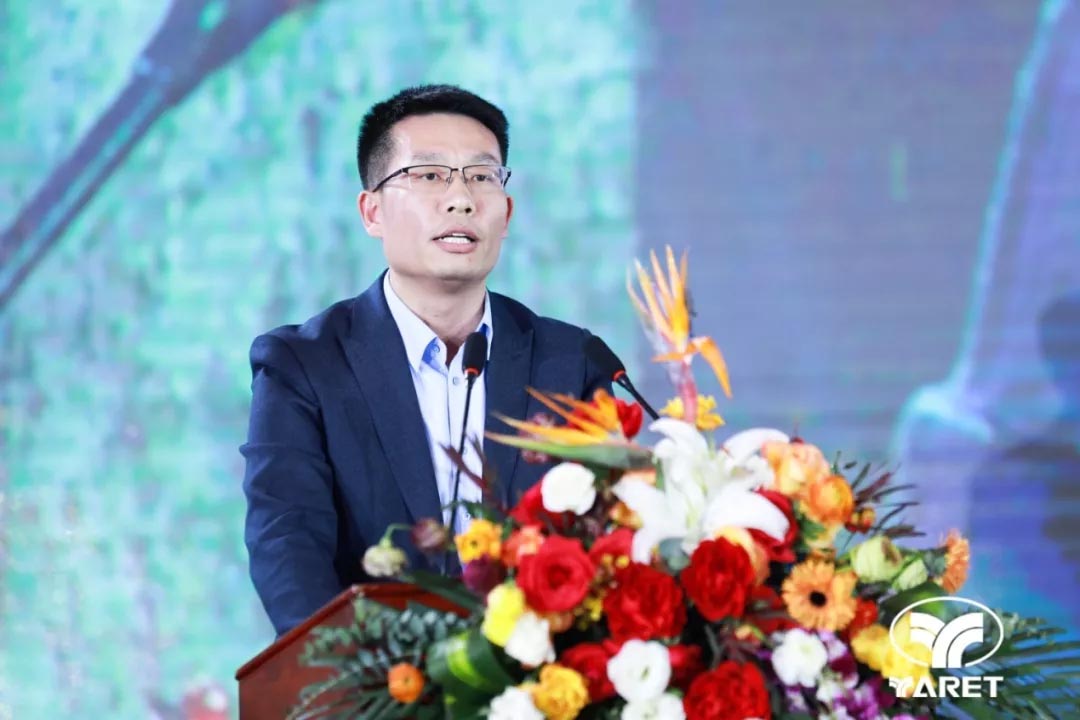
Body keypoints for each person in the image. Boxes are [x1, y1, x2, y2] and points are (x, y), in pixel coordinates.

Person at [241, 84, 611, 636]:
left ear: (506, 212)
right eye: (430, 175)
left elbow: (606, 540)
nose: (461, 198)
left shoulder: (569, 362)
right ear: (372, 211)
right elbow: (287, 547)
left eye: (481, 176)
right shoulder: (303, 366)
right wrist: (354, 674)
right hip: (374, 674)